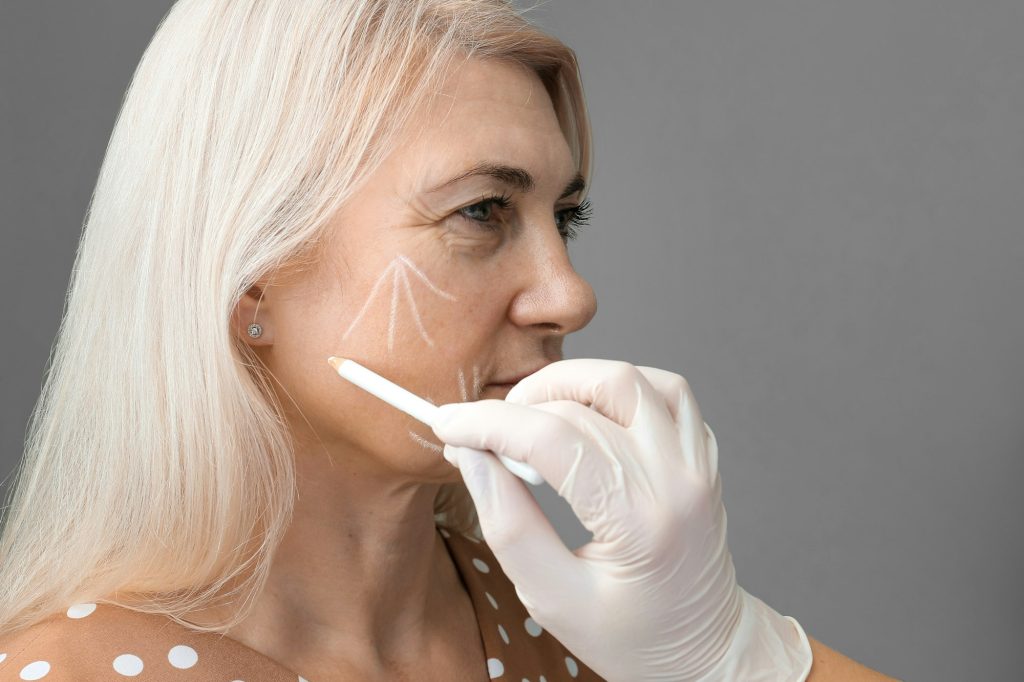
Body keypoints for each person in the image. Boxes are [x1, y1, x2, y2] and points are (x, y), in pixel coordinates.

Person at [0, 0, 898, 680]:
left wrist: (733, 651)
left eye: (567, 218)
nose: (570, 296)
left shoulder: (591, 635)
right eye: (482, 211)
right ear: (247, 282)